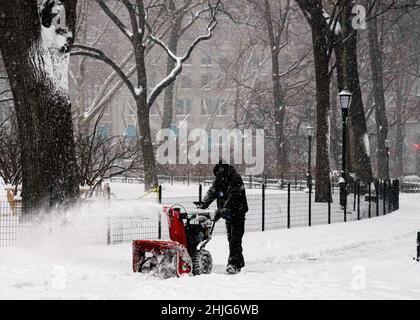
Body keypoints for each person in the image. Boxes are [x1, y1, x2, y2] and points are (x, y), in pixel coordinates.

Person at [197, 160, 248, 274]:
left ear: (225, 171)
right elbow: (212, 192)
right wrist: (204, 203)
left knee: (235, 239)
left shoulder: (235, 179)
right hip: (228, 214)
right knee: (232, 239)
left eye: (221, 175)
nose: (219, 177)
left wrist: (225, 208)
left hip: (238, 212)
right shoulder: (219, 180)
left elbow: (233, 196)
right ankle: (239, 261)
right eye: (217, 175)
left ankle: (233, 264)